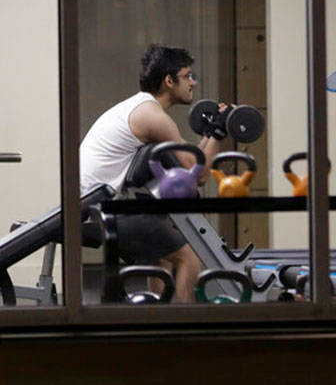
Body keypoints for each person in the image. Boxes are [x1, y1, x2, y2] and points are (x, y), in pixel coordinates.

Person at [79, 45, 227, 302]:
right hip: (96, 209)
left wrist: (211, 132)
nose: (193, 82)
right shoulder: (152, 116)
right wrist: (220, 132)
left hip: (92, 206)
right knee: (189, 256)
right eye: (187, 76)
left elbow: (190, 161)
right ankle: (183, 327)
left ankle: (156, 318)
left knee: (162, 254)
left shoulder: (139, 108)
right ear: (169, 81)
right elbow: (199, 175)